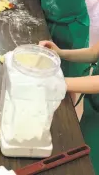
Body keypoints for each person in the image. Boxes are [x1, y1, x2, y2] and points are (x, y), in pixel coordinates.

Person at [39, 40, 99, 174]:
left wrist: (57, 82)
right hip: (93, 112)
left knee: (89, 167)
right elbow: (95, 52)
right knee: (80, 158)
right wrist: (60, 52)